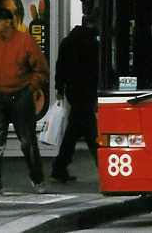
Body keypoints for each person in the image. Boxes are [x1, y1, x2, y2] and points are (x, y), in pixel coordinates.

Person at [0, 7, 49, 195]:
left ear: (7, 22)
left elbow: (41, 69)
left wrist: (29, 90)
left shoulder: (25, 40)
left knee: (27, 142)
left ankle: (37, 179)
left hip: (21, 96)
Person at [51, 16, 99, 183]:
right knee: (90, 130)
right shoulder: (93, 43)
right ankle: (103, 164)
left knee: (75, 129)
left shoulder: (68, 41)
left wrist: (59, 87)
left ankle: (59, 167)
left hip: (73, 90)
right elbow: (96, 70)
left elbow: (60, 66)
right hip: (87, 91)